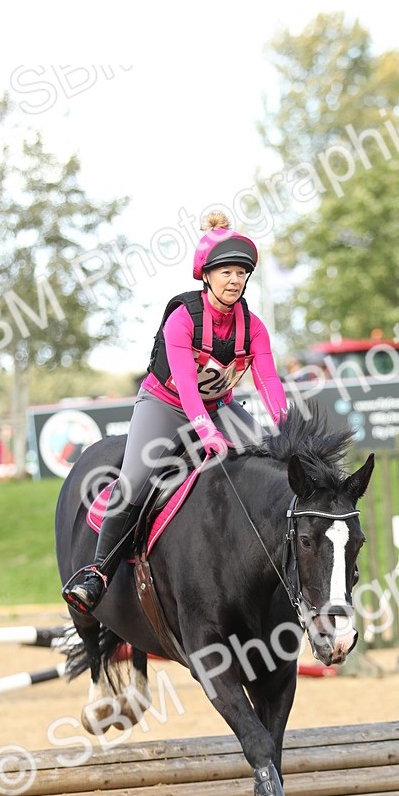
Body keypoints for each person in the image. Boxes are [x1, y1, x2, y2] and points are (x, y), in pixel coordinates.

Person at [62, 211, 288, 614]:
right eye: (226, 272)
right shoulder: (183, 319)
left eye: (241, 273)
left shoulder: (253, 327)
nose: (235, 280)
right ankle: (98, 573)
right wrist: (206, 432)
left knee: (270, 464)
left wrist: (286, 429)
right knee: (133, 481)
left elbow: (269, 382)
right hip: (165, 406)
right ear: (206, 275)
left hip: (222, 408)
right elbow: (185, 386)